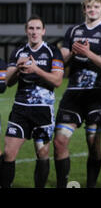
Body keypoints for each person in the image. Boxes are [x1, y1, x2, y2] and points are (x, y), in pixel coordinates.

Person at [53, 0, 101, 188]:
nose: (92, 9)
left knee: (93, 144)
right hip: (73, 93)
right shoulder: (73, 31)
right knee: (59, 141)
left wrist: (88, 54)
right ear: (84, 9)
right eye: (89, 6)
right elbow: (60, 61)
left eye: (96, 7)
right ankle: (61, 184)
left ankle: (91, 184)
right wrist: (72, 53)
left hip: (96, 93)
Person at [0, 15, 64, 188]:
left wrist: (36, 69)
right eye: (31, 28)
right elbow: (8, 82)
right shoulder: (19, 52)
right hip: (20, 110)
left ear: (43, 31)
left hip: (42, 111)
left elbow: (57, 81)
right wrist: (18, 69)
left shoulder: (52, 51)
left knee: (42, 154)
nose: (34, 32)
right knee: (8, 152)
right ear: (26, 31)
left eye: (37, 28)